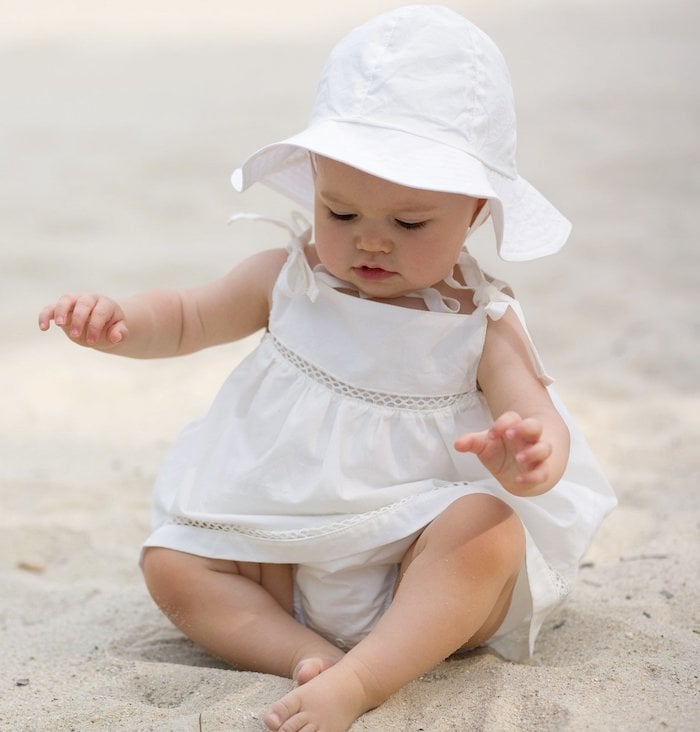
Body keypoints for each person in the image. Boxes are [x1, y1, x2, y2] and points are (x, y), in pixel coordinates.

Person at [38, 6, 616, 731]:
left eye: (409, 224)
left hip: (414, 565)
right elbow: (187, 316)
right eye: (340, 212)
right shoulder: (287, 277)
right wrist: (119, 323)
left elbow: (536, 412)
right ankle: (306, 657)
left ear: (475, 211)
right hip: (282, 553)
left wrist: (531, 456)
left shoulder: (479, 319)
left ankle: (366, 677)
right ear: (312, 179)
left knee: (488, 528)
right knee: (172, 564)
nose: (370, 241)